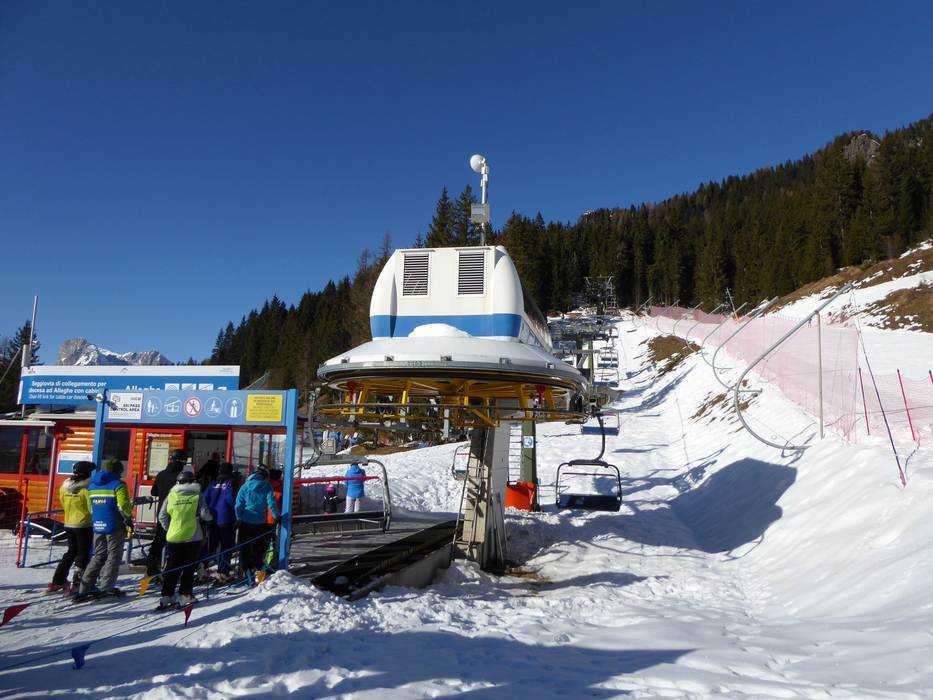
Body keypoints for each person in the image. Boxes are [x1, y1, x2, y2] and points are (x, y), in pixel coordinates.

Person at [76, 458, 133, 600]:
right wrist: (128, 518)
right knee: (113, 556)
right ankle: (107, 587)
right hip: (114, 524)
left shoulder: (92, 486)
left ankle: (85, 587)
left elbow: (90, 507)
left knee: (99, 555)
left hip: (98, 524)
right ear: (118, 471)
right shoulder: (118, 485)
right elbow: (123, 505)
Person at [157, 470, 210, 609]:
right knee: (189, 567)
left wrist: (170, 528)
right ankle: (185, 594)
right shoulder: (197, 495)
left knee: (172, 566)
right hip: (193, 536)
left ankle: (167, 595)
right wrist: (212, 517)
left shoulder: (172, 495)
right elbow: (204, 514)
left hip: (174, 537)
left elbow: (162, 516)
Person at [48, 460, 94, 594]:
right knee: (83, 554)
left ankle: (58, 580)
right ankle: (78, 583)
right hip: (84, 524)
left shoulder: (64, 487)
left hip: (69, 523)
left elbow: (63, 502)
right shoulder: (86, 489)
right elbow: (91, 508)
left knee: (71, 552)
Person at [146, 448, 186, 580]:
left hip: (162, 513)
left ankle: (152, 566)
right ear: (182, 461)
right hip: (177, 513)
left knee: (159, 540)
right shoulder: (182, 476)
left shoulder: (161, 474)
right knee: (176, 543)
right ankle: (171, 570)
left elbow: (154, 492)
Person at [234, 466, 279, 582]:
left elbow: (238, 505)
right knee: (258, 548)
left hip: (245, 521)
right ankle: (258, 572)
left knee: (245, 548)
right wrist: (276, 517)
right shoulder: (267, 486)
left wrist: (239, 517)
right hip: (260, 522)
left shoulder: (244, 487)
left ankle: (246, 573)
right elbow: (271, 503)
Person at [203, 462, 237, 581]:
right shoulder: (230, 483)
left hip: (212, 518)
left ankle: (202, 567)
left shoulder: (213, 483)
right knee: (226, 545)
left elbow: (204, 498)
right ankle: (223, 571)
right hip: (226, 518)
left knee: (210, 545)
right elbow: (230, 499)